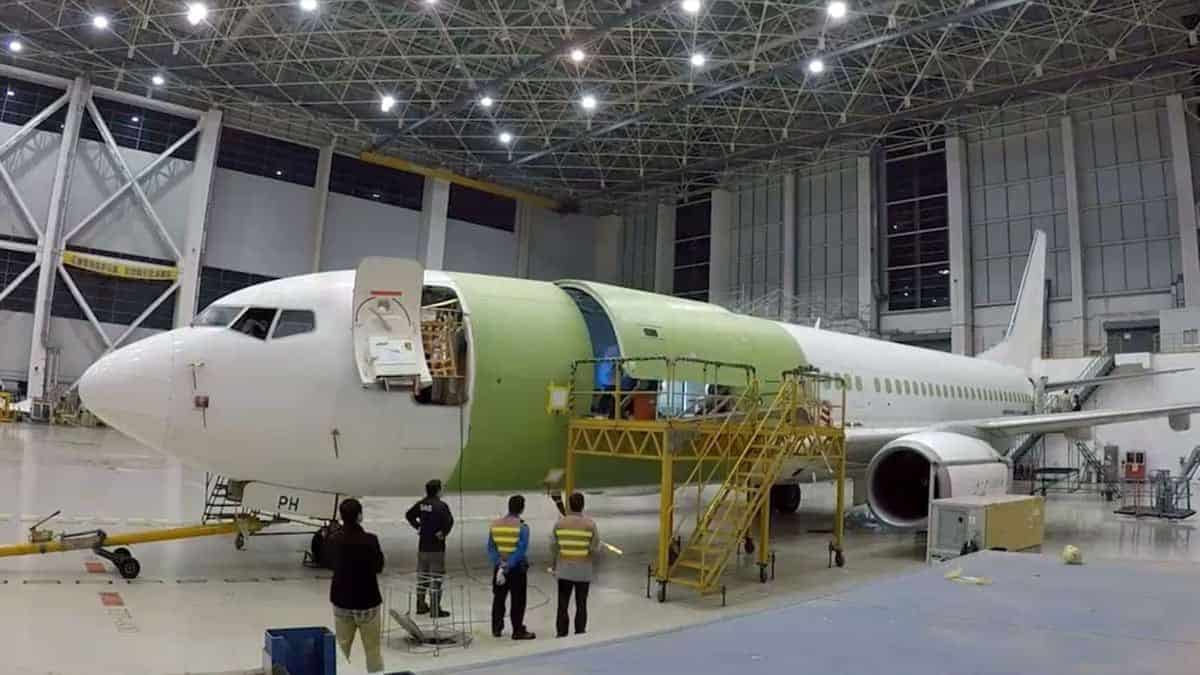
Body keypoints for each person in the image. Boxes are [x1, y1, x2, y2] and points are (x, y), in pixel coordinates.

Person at [328, 498, 385, 673]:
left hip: (342, 601)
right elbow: (378, 566)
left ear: (341, 516)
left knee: (341, 649)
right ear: (360, 516)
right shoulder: (371, 540)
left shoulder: (333, 539)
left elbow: (328, 561)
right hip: (367, 601)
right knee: (373, 650)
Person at [551, 492, 600, 638]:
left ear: (569, 506)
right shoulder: (590, 524)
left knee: (562, 604)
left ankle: (561, 632)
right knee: (581, 604)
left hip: (564, 570)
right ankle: (580, 631)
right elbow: (595, 548)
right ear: (583, 505)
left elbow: (554, 547)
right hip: (583, 571)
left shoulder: (560, 524)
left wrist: (556, 562)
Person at [488, 495, 535, 640]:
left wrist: (499, 563)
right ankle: (517, 630)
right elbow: (521, 550)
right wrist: (509, 565)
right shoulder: (523, 528)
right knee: (518, 600)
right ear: (522, 508)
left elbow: (491, 547)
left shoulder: (495, 525)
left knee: (499, 598)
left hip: (499, 568)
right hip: (516, 569)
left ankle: (496, 628)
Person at [405, 479, 454, 617]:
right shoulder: (441, 506)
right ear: (438, 490)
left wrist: (418, 526)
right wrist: (443, 533)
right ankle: (435, 609)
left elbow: (409, 515)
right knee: (436, 579)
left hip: (422, 547)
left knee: (422, 578)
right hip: (437, 549)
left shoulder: (422, 504)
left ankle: (420, 605)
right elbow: (449, 522)